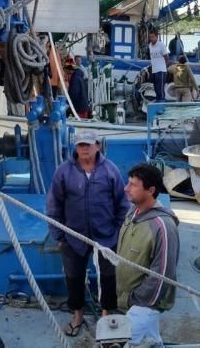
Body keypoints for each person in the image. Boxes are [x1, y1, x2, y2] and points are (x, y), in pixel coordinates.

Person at [47, 130, 131, 337]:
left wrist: (118, 232)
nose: (84, 148)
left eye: (88, 144)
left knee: (108, 278)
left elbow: (122, 204)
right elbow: (53, 206)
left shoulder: (110, 171)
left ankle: (105, 315)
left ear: (97, 146)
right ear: (76, 147)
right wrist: (59, 236)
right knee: (73, 278)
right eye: (80, 144)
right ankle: (77, 315)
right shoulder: (63, 172)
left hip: (106, 237)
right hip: (73, 238)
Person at [116, 163, 180, 347]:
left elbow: (163, 274)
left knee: (123, 342)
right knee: (151, 341)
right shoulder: (132, 213)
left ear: (151, 190)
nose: (126, 189)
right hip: (132, 299)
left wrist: (136, 300)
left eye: (133, 185)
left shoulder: (163, 227)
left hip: (145, 304)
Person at [147, 29, 170, 102]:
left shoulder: (161, 45)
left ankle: (162, 104)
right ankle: (157, 103)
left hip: (161, 70)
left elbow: (166, 57)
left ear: (157, 36)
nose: (151, 39)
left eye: (153, 37)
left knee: (160, 90)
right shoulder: (150, 45)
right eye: (150, 37)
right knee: (156, 89)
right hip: (154, 70)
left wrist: (163, 66)